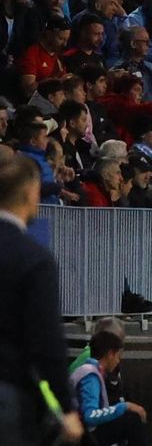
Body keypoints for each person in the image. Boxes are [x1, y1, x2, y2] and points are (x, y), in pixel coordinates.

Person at [0, 155, 85, 444]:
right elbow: (46, 342)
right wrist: (66, 406)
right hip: (8, 397)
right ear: (29, 192)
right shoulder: (33, 258)